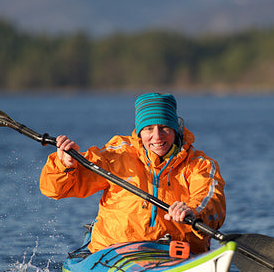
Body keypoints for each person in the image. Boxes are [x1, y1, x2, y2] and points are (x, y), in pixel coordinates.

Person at [39, 93, 226, 254]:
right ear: (139, 132)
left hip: (177, 253)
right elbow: (54, 190)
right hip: (115, 252)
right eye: (149, 129)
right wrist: (65, 164)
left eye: (165, 128)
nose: (157, 136)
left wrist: (192, 211)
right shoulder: (117, 154)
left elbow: (211, 200)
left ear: (175, 130)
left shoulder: (199, 164)